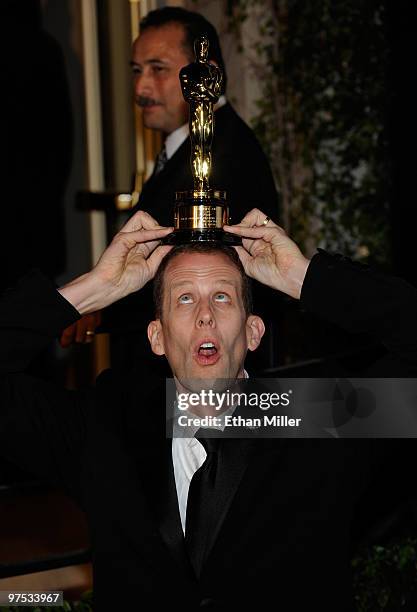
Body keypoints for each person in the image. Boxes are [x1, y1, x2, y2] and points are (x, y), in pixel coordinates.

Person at [1, 207, 417, 610]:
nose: (205, 316)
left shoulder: (320, 416)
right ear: (157, 337)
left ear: (253, 332)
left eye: (222, 296)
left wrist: (307, 278)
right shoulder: (106, 425)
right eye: (184, 299)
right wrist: (93, 289)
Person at [62, 6, 281, 372]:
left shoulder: (223, 156)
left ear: (206, 74)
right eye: (136, 71)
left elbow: (207, 275)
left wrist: (97, 306)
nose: (140, 88)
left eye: (158, 69)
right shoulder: (184, 147)